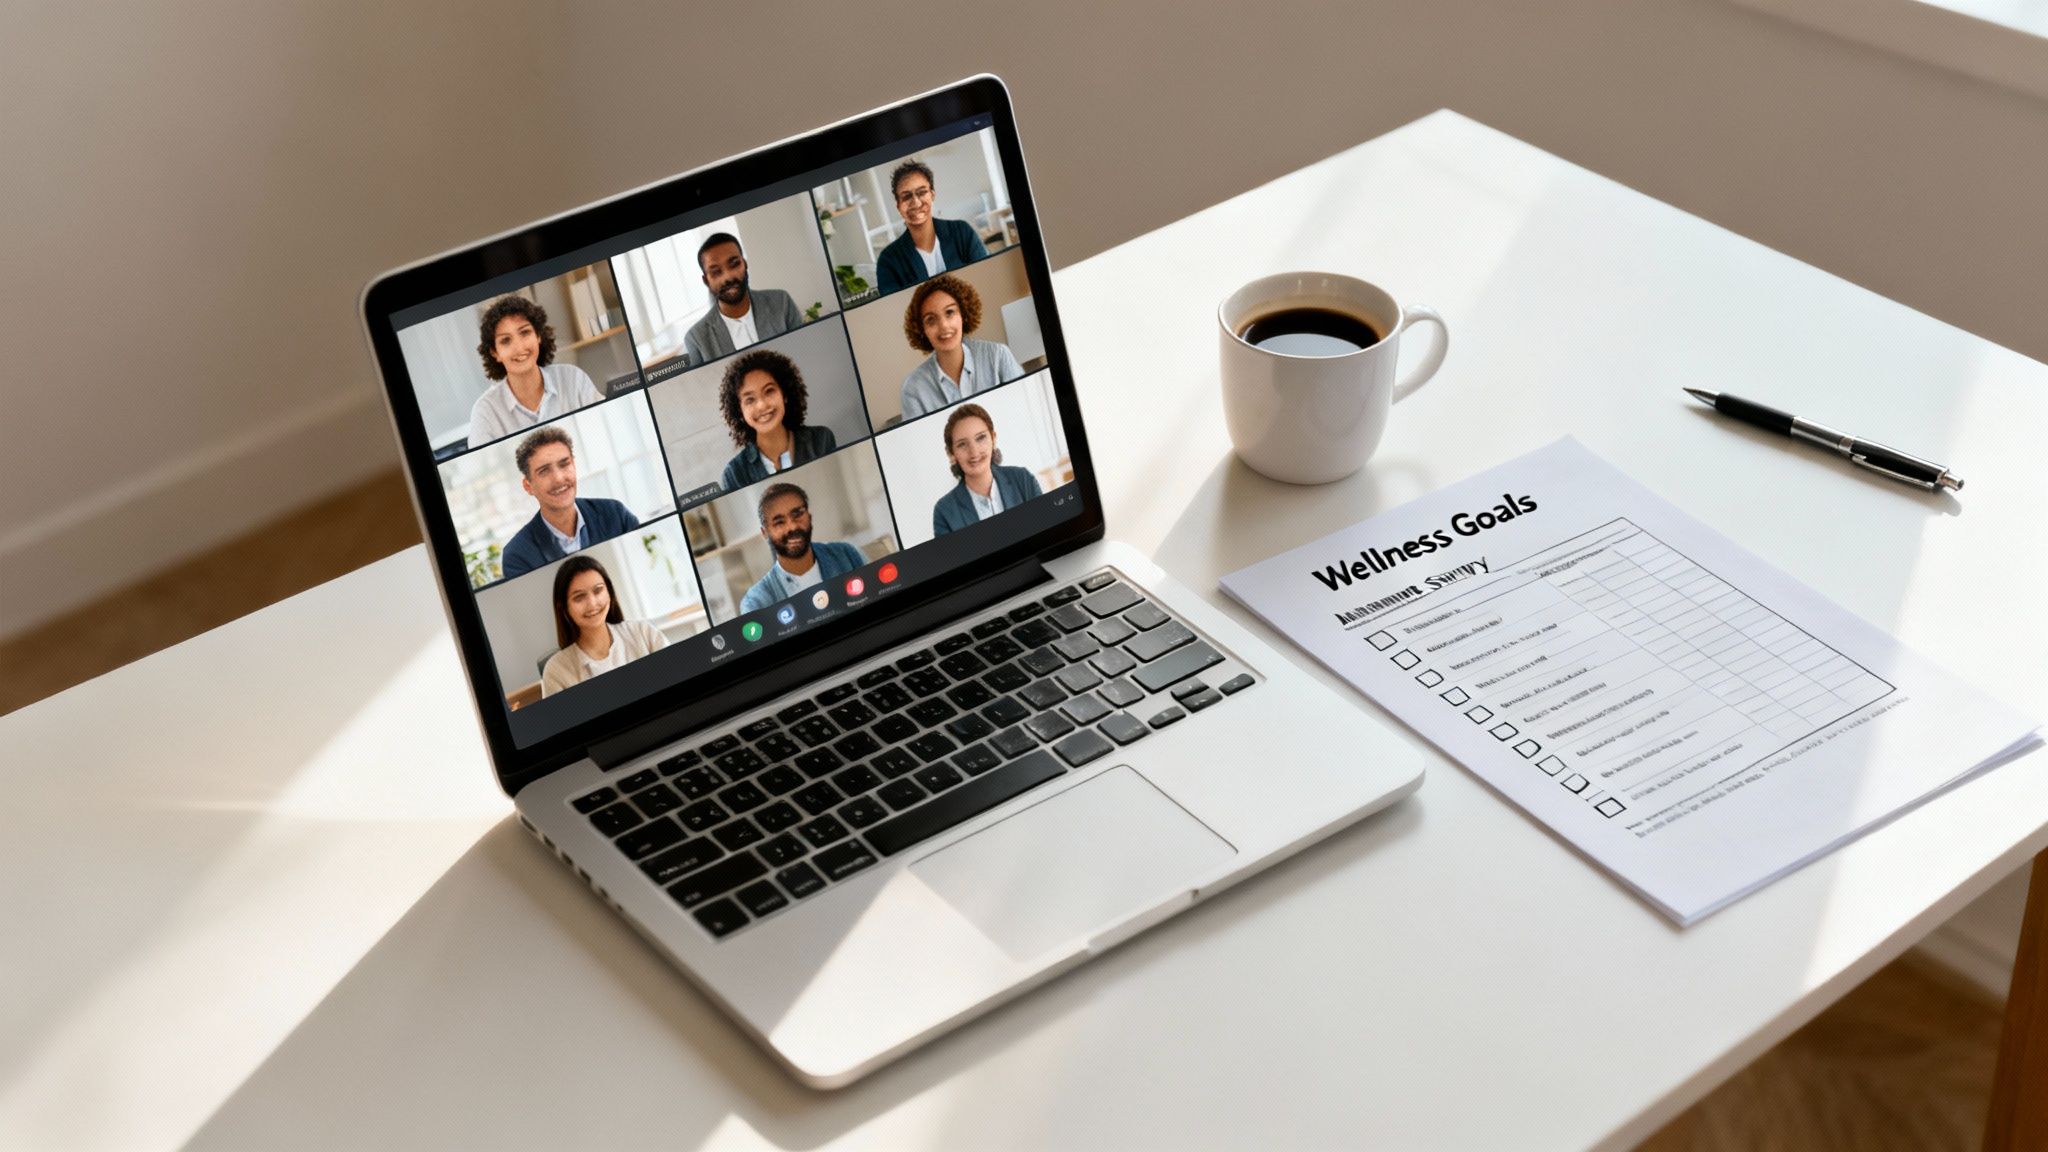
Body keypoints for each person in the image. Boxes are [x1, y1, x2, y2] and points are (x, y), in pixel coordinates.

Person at [498, 426, 642, 578]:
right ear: (528, 486)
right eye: (544, 471)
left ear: (574, 465)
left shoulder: (615, 514)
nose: (559, 478)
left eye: (564, 464)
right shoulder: (517, 555)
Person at [467, 295, 605, 444]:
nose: (519, 347)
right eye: (506, 340)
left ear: (538, 335)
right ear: (495, 353)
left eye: (525, 332)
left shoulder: (574, 379)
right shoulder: (485, 411)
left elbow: (605, 425)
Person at [898, 273, 1023, 420]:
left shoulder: (998, 356)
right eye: (931, 320)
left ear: (963, 315)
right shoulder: (913, 389)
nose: (944, 326)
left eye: (950, 312)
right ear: (922, 330)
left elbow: (1023, 410)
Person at [539, 555, 669, 696]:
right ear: (564, 607)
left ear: (609, 592)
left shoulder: (644, 632)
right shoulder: (556, 670)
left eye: (598, 590)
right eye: (579, 597)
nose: (592, 603)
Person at [717, 349, 838, 490]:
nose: (762, 405)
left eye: (769, 391)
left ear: (784, 394)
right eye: (750, 400)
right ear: (739, 411)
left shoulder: (821, 440)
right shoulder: (734, 474)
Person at [738, 482, 867, 613]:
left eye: (798, 514)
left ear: (809, 517)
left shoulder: (849, 555)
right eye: (779, 522)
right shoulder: (756, 602)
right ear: (765, 533)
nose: (792, 527)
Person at [682, 233, 805, 366]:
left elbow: (805, 352)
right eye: (716, 272)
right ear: (706, 281)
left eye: (734, 264)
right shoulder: (696, 339)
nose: (728, 277)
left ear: (744, 264)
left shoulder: (781, 302)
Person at [873, 160, 988, 296]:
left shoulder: (962, 232)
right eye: (906, 196)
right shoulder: (889, 260)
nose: (916, 202)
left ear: (932, 195)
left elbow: (985, 279)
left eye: (922, 192)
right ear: (898, 205)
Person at [931, 403, 1042, 536]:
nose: (974, 452)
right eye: (962, 444)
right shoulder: (944, 511)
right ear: (951, 453)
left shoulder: (1023, 479)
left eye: (980, 438)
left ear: (993, 438)